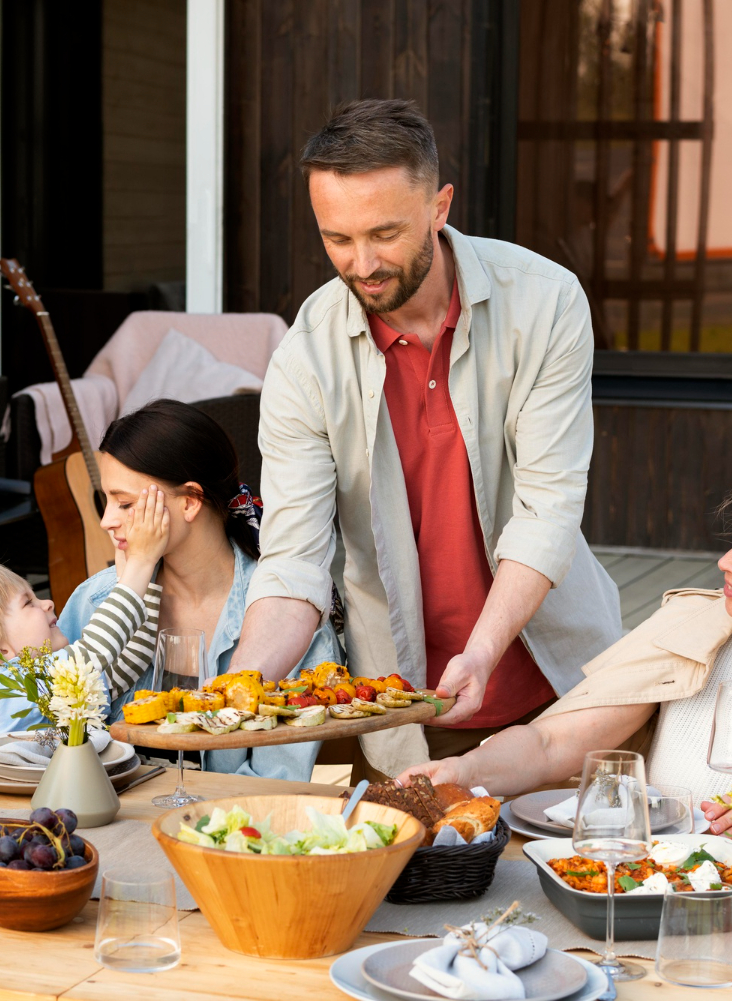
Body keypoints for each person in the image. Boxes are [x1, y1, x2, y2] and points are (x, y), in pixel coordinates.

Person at [229, 98, 622, 777]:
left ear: (440, 206)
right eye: (337, 239)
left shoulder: (546, 302)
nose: (361, 263)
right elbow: (294, 562)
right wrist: (232, 689)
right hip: (413, 708)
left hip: (563, 689)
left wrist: (482, 649)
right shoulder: (304, 358)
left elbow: (546, 513)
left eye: (384, 233)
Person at [399, 461, 732, 831]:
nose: (725, 561)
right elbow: (552, 743)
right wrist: (465, 769)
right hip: (649, 890)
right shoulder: (692, 629)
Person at [57, 400, 343, 782]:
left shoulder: (289, 622)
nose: (107, 520)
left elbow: (274, 783)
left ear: (190, 501)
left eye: (125, 503)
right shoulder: (93, 602)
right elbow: (51, 736)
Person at [0, 487, 170, 746]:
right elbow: (97, 650)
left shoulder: (27, 689)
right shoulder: (4, 691)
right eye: (28, 602)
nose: (48, 603)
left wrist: (134, 561)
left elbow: (125, 666)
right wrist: (142, 560)